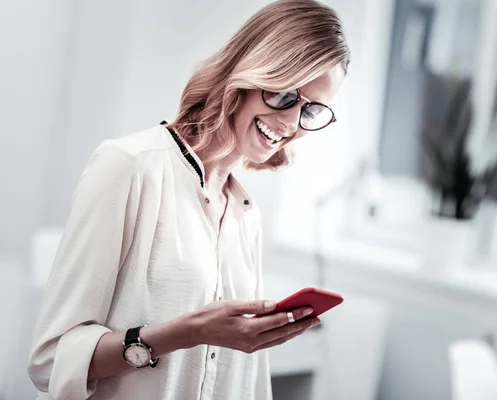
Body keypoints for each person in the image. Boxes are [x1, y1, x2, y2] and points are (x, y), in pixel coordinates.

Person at [26, 0, 350, 399]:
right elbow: (52, 360)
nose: (290, 124)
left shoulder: (246, 215)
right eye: (285, 94)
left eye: (311, 111)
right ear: (248, 74)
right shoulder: (129, 166)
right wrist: (186, 333)